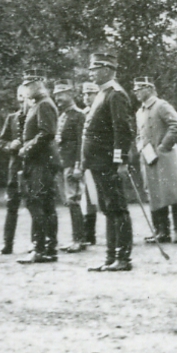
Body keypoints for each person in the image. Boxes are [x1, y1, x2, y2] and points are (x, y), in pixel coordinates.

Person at [82, 51, 135, 272]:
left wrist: (120, 161)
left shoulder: (116, 94)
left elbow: (122, 130)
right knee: (108, 209)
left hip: (107, 162)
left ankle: (123, 258)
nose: (91, 73)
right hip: (97, 162)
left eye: (95, 69)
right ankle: (110, 257)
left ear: (107, 70)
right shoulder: (103, 94)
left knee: (117, 208)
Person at [132, 78, 177, 244]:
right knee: (154, 193)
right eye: (135, 89)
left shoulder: (161, 106)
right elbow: (139, 133)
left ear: (149, 89)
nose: (136, 92)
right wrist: (140, 146)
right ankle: (161, 230)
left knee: (172, 193)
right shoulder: (140, 112)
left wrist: (164, 146)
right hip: (149, 158)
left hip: (166, 157)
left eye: (139, 88)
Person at [17, 75, 61, 264]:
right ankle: (48, 248)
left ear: (38, 86)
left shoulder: (44, 104)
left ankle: (40, 248)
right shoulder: (36, 104)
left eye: (29, 85)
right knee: (45, 205)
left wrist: (26, 148)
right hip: (39, 160)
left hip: (41, 161)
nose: (26, 89)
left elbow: (47, 133)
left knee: (37, 203)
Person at [0, 87, 27, 255]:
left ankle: (38, 243)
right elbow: (1, 140)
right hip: (15, 167)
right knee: (11, 204)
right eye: (19, 95)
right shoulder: (11, 118)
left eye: (25, 95)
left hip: (32, 166)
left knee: (35, 204)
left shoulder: (37, 115)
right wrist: (9, 145)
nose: (22, 99)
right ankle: (7, 244)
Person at [55, 82, 89, 252]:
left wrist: (78, 166)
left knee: (74, 200)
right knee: (69, 201)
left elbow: (81, 144)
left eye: (61, 94)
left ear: (70, 94)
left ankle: (79, 240)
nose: (57, 98)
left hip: (72, 165)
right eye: (56, 95)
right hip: (63, 164)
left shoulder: (78, 116)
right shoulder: (63, 116)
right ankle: (77, 238)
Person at [79, 81, 102, 245]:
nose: (87, 97)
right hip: (87, 160)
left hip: (100, 159)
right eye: (85, 94)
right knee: (87, 197)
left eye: (90, 94)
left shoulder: (102, 112)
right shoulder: (83, 114)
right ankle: (89, 234)